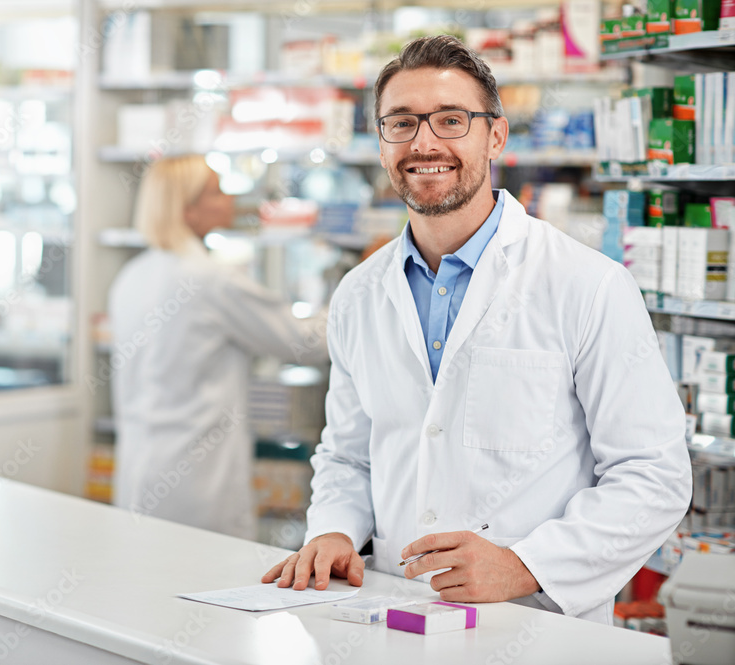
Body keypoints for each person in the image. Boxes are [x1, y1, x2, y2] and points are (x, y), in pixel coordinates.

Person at [261, 35, 692, 624]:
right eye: (402, 123)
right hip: (393, 612)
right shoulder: (360, 292)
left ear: (496, 136)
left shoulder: (587, 284)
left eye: (451, 120)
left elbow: (653, 474)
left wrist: (525, 564)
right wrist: (336, 531)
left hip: (537, 624)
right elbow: (349, 455)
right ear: (381, 143)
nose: (425, 143)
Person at [109, 155, 329, 540]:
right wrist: (358, 292)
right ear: (187, 209)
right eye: (216, 191)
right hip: (197, 484)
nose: (228, 197)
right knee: (203, 589)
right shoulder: (211, 279)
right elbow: (304, 342)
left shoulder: (132, 276)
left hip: (138, 473)